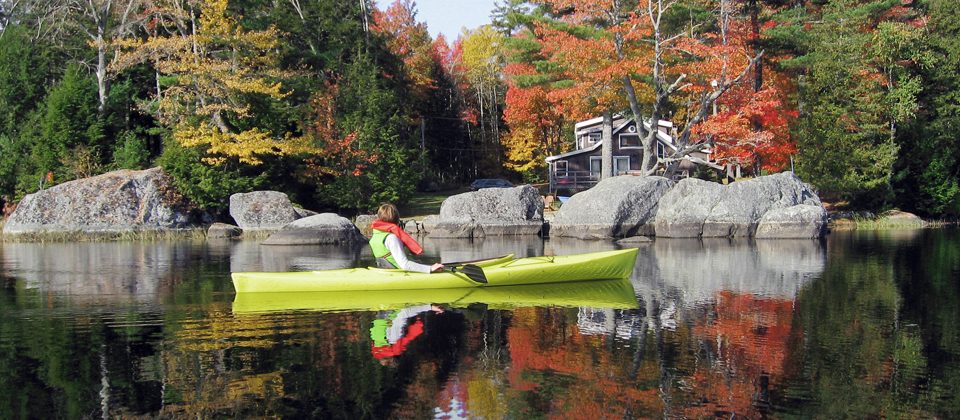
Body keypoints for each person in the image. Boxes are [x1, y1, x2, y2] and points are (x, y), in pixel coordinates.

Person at [369, 204, 443, 273]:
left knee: (419, 261)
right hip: (401, 273)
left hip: (389, 271)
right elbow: (404, 264)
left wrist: (420, 265)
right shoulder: (391, 238)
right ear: (397, 220)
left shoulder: (376, 236)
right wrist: (429, 269)